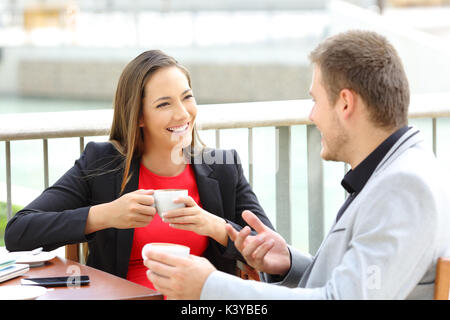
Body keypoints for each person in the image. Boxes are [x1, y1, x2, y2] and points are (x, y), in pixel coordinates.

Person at [142, 30, 450, 299]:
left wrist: (209, 287)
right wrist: (289, 263)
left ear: (345, 103)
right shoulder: (400, 172)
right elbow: (357, 285)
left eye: (315, 101)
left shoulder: (403, 187)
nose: (311, 116)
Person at [4, 50, 274, 290]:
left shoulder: (223, 168)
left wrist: (214, 225)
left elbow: (273, 252)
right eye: (164, 104)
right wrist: (106, 215)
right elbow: (18, 232)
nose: (183, 114)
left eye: (187, 97)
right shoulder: (101, 163)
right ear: (139, 116)